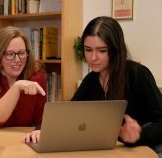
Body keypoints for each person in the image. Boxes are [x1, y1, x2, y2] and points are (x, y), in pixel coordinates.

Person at [23, 16, 162, 156]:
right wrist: (42, 130)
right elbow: (68, 114)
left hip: (145, 151)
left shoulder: (137, 74)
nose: (93, 57)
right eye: (88, 49)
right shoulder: (91, 80)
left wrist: (139, 135)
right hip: (113, 152)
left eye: (102, 51)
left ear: (115, 50)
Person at [0, 26, 47, 127]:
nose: (17, 60)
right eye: (10, 54)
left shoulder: (37, 77)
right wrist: (16, 87)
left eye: (21, 53)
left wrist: (38, 132)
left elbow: (41, 123)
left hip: (22, 140)